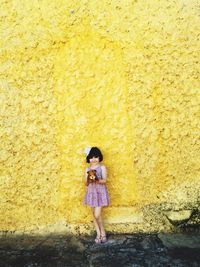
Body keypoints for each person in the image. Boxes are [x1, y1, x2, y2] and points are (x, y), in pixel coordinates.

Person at [83, 147, 110, 244]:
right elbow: (86, 183)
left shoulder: (102, 167)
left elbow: (104, 181)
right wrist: (88, 179)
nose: (93, 159)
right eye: (91, 157)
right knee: (94, 216)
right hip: (91, 193)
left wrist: (97, 180)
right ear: (88, 159)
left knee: (97, 214)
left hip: (100, 193)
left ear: (99, 157)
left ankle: (103, 232)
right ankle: (99, 234)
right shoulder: (87, 169)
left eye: (96, 157)